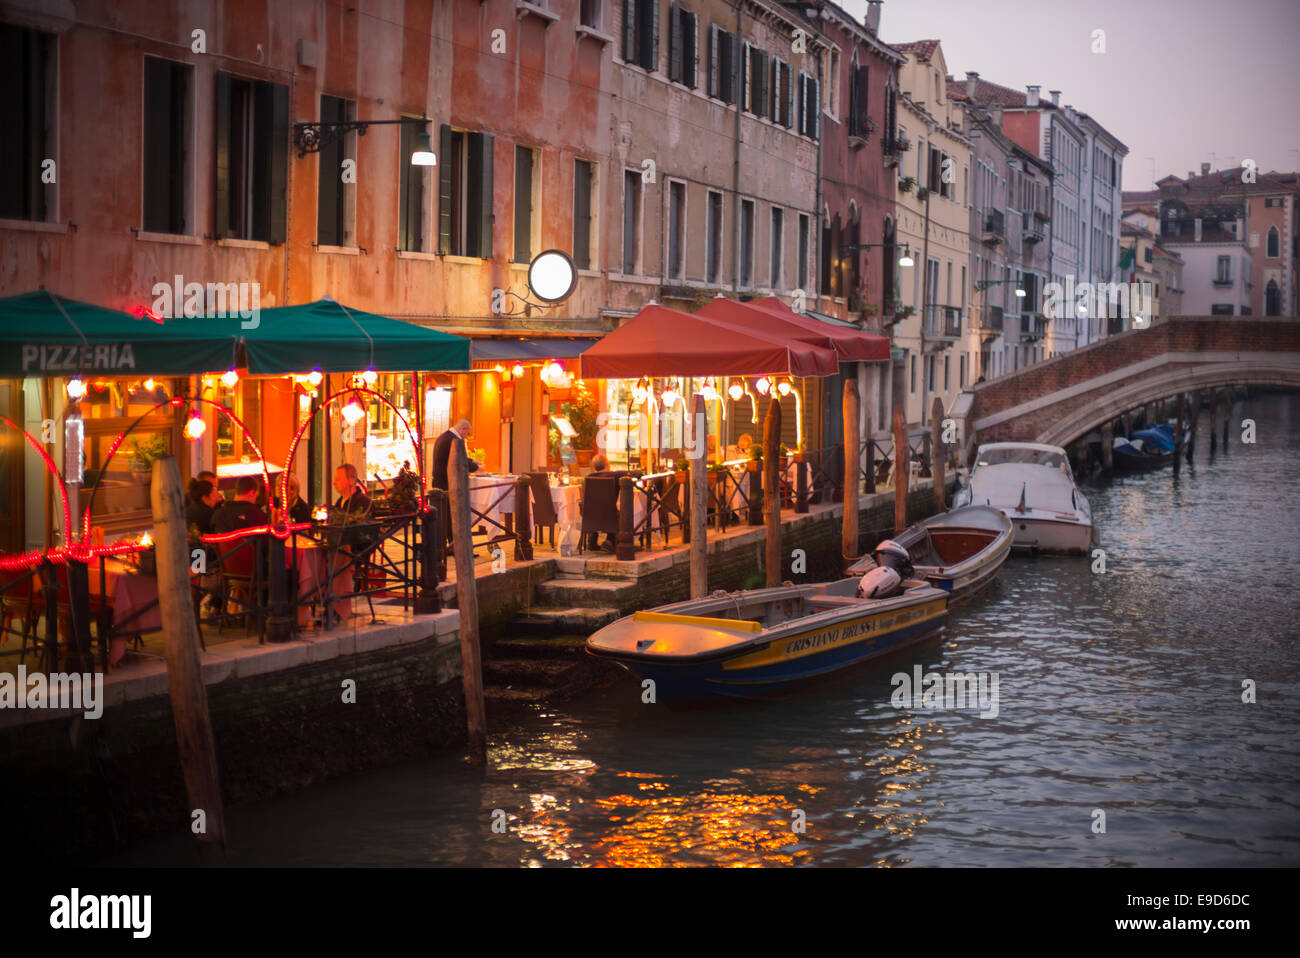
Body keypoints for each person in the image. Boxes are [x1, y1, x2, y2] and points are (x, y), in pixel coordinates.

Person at [431, 419, 480, 491]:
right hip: (447, 483)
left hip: (439, 481)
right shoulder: (454, 440)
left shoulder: (444, 436)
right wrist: (476, 467)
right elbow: (460, 462)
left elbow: (456, 456)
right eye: (468, 433)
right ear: (463, 429)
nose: (466, 436)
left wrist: (473, 461)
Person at [585, 453, 616, 553]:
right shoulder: (614, 476)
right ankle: (610, 541)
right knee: (621, 513)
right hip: (609, 515)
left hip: (591, 515)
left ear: (594, 467)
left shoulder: (588, 478)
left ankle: (592, 542)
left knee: (594, 509)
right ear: (607, 464)